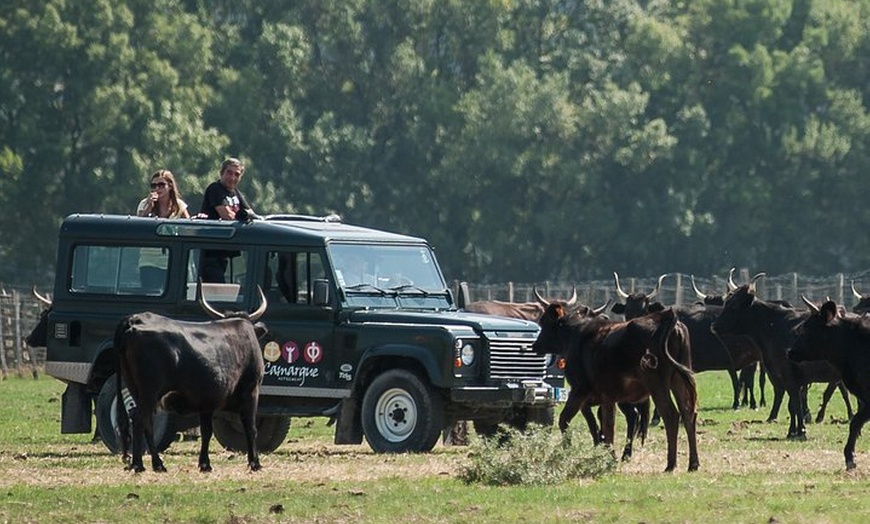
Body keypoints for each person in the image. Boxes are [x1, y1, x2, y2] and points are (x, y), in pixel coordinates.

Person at [198, 158, 259, 282]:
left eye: (236, 174)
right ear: (222, 173)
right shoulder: (215, 189)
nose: (232, 177)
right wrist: (241, 218)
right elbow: (226, 215)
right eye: (229, 173)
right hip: (211, 252)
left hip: (227, 252)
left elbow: (251, 214)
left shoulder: (236, 193)